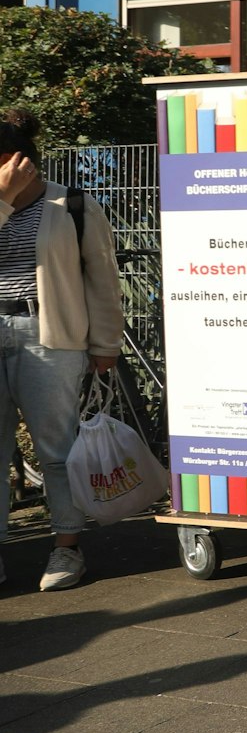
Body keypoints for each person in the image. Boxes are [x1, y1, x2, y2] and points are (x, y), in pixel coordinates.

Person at [0, 110, 121, 591]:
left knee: (56, 450)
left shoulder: (71, 205)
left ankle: (67, 549)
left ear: (17, 161)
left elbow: (103, 280)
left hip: (48, 335)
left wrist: (105, 344)